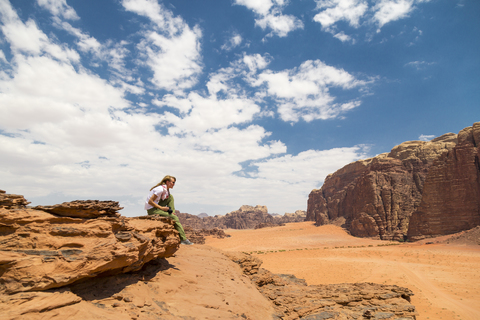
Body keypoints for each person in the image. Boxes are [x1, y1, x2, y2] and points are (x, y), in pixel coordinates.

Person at [144, 175, 193, 245]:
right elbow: (150, 201)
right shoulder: (160, 189)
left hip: (156, 206)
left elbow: (163, 199)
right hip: (152, 209)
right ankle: (183, 239)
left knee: (170, 197)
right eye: (173, 182)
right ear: (167, 182)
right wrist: (162, 208)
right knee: (174, 218)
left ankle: (171, 213)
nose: (174, 184)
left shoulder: (165, 189)